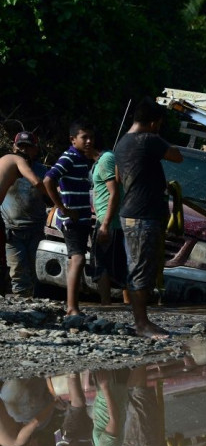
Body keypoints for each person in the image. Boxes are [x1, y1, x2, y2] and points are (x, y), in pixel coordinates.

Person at [115, 96, 182, 339]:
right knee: (141, 270)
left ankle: (142, 322)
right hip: (143, 215)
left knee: (138, 267)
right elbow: (177, 156)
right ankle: (142, 325)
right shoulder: (149, 139)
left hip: (131, 213)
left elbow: (118, 176)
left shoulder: (122, 143)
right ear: (155, 123)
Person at [44, 121, 96, 316]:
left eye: (91, 137)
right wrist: (62, 208)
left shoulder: (82, 158)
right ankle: (72, 307)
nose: (89, 141)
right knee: (78, 259)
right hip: (72, 220)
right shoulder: (69, 157)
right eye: (85, 137)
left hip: (81, 219)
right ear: (73, 140)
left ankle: (73, 305)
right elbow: (48, 179)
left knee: (76, 259)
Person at [1, 131, 48, 296]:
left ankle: (34, 305)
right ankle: (22, 306)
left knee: (38, 272)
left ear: (35, 149)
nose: (25, 150)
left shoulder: (42, 171)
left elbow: (49, 189)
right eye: (21, 146)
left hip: (36, 229)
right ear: (14, 147)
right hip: (12, 229)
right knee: (18, 272)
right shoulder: (12, 165)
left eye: (29, 147)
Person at [90, 145, 128, 305]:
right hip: (110, 220)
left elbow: (114, 193)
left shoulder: (106, 159)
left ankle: (106, 305)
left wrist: (104, 225)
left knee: (101, 264)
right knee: (120, 265)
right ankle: (129, 307)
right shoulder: (100, 161)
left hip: (109, 221)